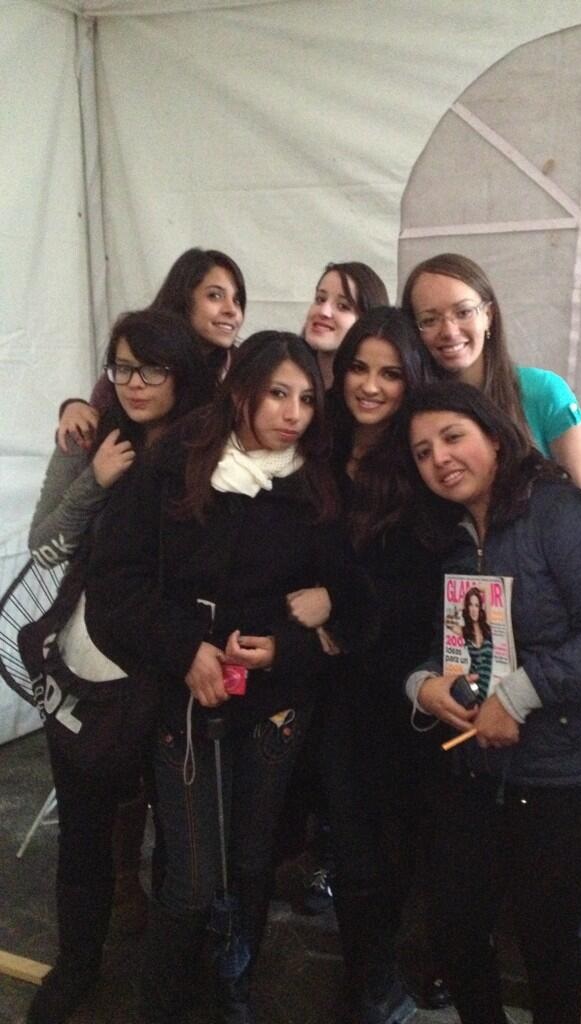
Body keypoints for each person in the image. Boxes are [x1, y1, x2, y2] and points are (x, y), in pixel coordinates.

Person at [84, 332, 374, 1024]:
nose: (293, 414)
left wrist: (285, 648)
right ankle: (163, 1004)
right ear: (240, 389)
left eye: (307, 399)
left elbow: (353, 610)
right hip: (185, 703)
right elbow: (114, 585)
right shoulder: (175, 465)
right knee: (190, 877)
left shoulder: (318, 485)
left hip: (277, 706)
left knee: (251, 860)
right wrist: (186, 650)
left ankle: (232, 991)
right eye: (277, 393)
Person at [403, 380, 581, 1024]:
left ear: (495, 436)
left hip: (578, 768)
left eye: (452, 437)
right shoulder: (455, 535)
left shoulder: (560, 513)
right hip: (490, 766)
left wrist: (517, 695)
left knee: (545, 936)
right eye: (423, 452)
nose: (439, 459)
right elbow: (451, 648)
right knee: (455, 925)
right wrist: (423, 685)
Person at [24, 309, 213, 1024]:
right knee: (84, 830)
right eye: (123, 367)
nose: (135, 383)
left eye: (151, 368)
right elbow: (44, 546)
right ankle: (77, 964)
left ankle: (168, 977)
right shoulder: (90, 438)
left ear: (181, 373)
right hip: (88, 666)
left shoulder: (208, 451)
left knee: (176, 833)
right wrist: (95, 480)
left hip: (172, 670)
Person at [289, 306, 437, 1023]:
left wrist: (342, 607)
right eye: (358, 368)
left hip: (389, 686)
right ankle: (367, 977)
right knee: (341, 836)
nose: (370, 386)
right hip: (313, 676)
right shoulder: (317, 447)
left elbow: (428, 588)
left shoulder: (420, 462)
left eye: (389, 373)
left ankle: (375, 979)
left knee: (377, 840)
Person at [401, 252, 581, 497]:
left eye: (463, 312)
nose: (449, 331)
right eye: (430, 320)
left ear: (488, 315)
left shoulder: (544, 391)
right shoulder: (413, 413)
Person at [57, 247, 246, 449]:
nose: (231, 310)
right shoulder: (128, 359)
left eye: (237, 300)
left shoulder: (243, 372)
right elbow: (93, 425)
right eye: (215, 296)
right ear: (183, 297)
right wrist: (74, 408)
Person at [301, 261, 388, 387]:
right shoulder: (283, 371)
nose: (323, 311)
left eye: (343, 306)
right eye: (320, 299)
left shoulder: (370, 392)